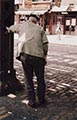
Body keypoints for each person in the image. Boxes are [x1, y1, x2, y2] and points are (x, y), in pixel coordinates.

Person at [6, 14, 49, 107]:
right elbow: (45, 44)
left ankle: (31, 101)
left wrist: (8, 29)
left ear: (28, 19)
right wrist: (45, 56)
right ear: (36, 21)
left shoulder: (21, 26)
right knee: (40, 78)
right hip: (38, 57)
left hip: (25, 55)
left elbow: (10, 29)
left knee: (28, 79)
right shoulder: (40, 29)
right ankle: (41, 99)